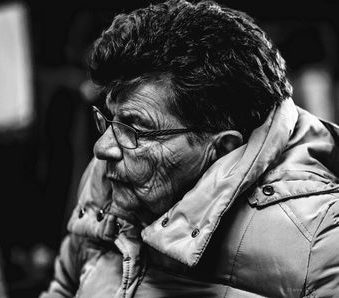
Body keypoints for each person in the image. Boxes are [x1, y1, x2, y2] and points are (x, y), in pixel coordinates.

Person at [40, 0, 339, 297]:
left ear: (224, 149)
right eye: (109, 119)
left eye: (136, 129)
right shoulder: (106, 182)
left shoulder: (321, 241)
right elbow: (65, 287)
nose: (102, 148)